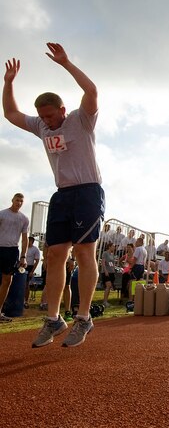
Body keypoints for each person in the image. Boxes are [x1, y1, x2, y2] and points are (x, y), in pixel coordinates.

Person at [3, 43, 105, 347]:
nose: (47, 121)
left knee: (85, 252)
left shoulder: (81, 119)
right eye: (42, 117)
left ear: (62, 109)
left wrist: (66, 63)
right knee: (55, 255)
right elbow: (10, 113)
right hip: (62, 194)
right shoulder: (41, 128)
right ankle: (53, 318)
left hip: (88, 191)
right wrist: (8, 83)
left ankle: (84, 318)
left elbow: (92, 90)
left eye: (50, 115)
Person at [0, 193, 29, 322]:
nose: (19, 203)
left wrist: (23, 256)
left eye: (21, 201)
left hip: (12, 251)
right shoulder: (2, 214)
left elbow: (25, 239)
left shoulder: (24, 218)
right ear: (12, 200)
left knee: (7, 281)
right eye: (17, 200)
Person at [24, 236, 41, 308]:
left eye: (30, 241)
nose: (29, 242)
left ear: (32, 241)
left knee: (26, 284)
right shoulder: (24, 248)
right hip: (22, 266)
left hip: (30, 267)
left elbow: (37, 261)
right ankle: (20, 300)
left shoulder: (35, 249)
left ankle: (26, 301)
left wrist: (32, 271)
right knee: (21, 284)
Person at [101, 243, 116, 308]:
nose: (114, 248)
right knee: (108, 285)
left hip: (111, 272)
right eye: (113, 246)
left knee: (109, 287)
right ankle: (104, 301)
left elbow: (112, 263)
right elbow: (103, 263)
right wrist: (105, 271)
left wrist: (113, 269)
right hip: (106, 272)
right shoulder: (105, 253)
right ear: (109, 247)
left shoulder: (112, 254)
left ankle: (106, 301)